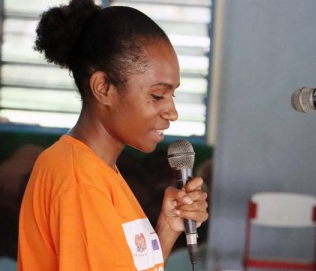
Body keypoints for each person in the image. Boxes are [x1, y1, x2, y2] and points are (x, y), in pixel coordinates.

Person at [17, 1, 209, 270]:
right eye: (157, 96)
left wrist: (166, 230)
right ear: (103, 88)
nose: (172, 112)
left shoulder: (97, 172)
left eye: (171, 95)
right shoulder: (80, 181)